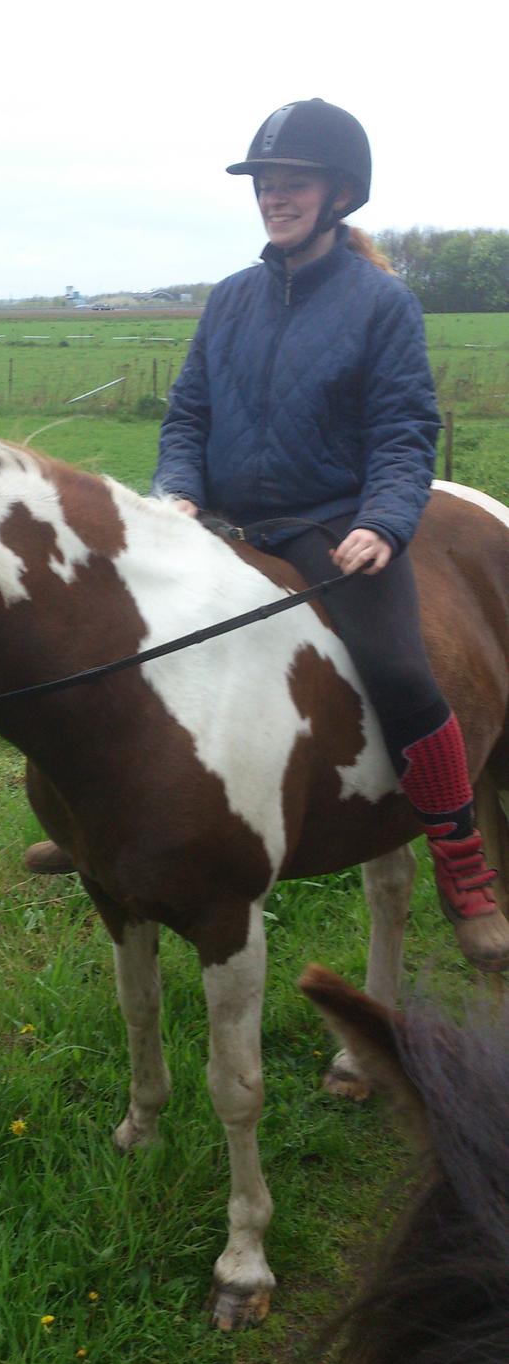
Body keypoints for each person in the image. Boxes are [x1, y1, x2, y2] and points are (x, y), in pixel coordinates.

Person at [26, 98, 508, 966]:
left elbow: (403, 435)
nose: (275, 198)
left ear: (340, 195)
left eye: (293, 184)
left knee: (404, 670)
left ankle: (460, 857)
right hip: (219, 520)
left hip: (333, 524)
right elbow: (188, 416)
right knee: (107, 640)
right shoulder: (232, 300)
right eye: (266, 185)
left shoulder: (382, 305)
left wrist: (386, 524)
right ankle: (108, 823)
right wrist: (174, 490)